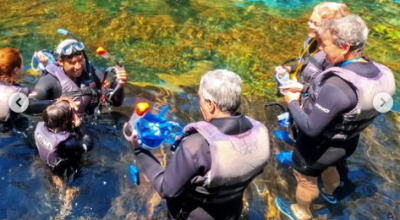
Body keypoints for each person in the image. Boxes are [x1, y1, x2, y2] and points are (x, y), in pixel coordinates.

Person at [275, 15, 396, 220]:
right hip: (347, 143)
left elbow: (310, 128)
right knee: (330, 169)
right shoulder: (382, 74)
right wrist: (304, 88)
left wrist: (292, 100)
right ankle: (330, 194)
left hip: (316, 150)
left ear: (345, 46)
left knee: (306, 180)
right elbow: (350, 103)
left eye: (326, 45)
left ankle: (302, 211)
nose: (321, 49)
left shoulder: (337, 86)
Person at [131, 69, 270, 220]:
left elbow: (166, 189)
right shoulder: (261, 133)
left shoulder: (196, 146)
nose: (199, 104)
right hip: (232, 211)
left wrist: (138, 150)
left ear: (210, 105)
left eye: (200, 99)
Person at [28, 39, 128, 114]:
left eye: (81, 60)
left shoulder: (92, 72)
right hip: (64, 129)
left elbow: (114, 103)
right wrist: (56, 103)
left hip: (91, 123)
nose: (78, 66)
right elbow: (28, 105)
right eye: (72, 63)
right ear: (60, 62)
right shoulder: (50, 80)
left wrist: (119, 84)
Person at [275, 2, 349, 93]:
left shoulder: (333, 56)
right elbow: (305, 63)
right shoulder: (311, 41)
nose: (310, 25)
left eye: (316, 24)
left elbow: (331, 93)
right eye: (310, 21)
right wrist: (288, 69)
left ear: (330, 29)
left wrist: (302, 89)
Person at [34, 97, 93, 175]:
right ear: (64, 122)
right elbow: (89, 144)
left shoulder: (41, 126)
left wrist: (62, 101)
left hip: (46, 161)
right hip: (62, 172)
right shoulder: (66, 143)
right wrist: (79, 124)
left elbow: (52, 111)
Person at [0, 48, 29, 131]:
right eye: (22, 64)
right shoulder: (19, 92)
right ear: (16, 70)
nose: (23, 67)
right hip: (6, 136)